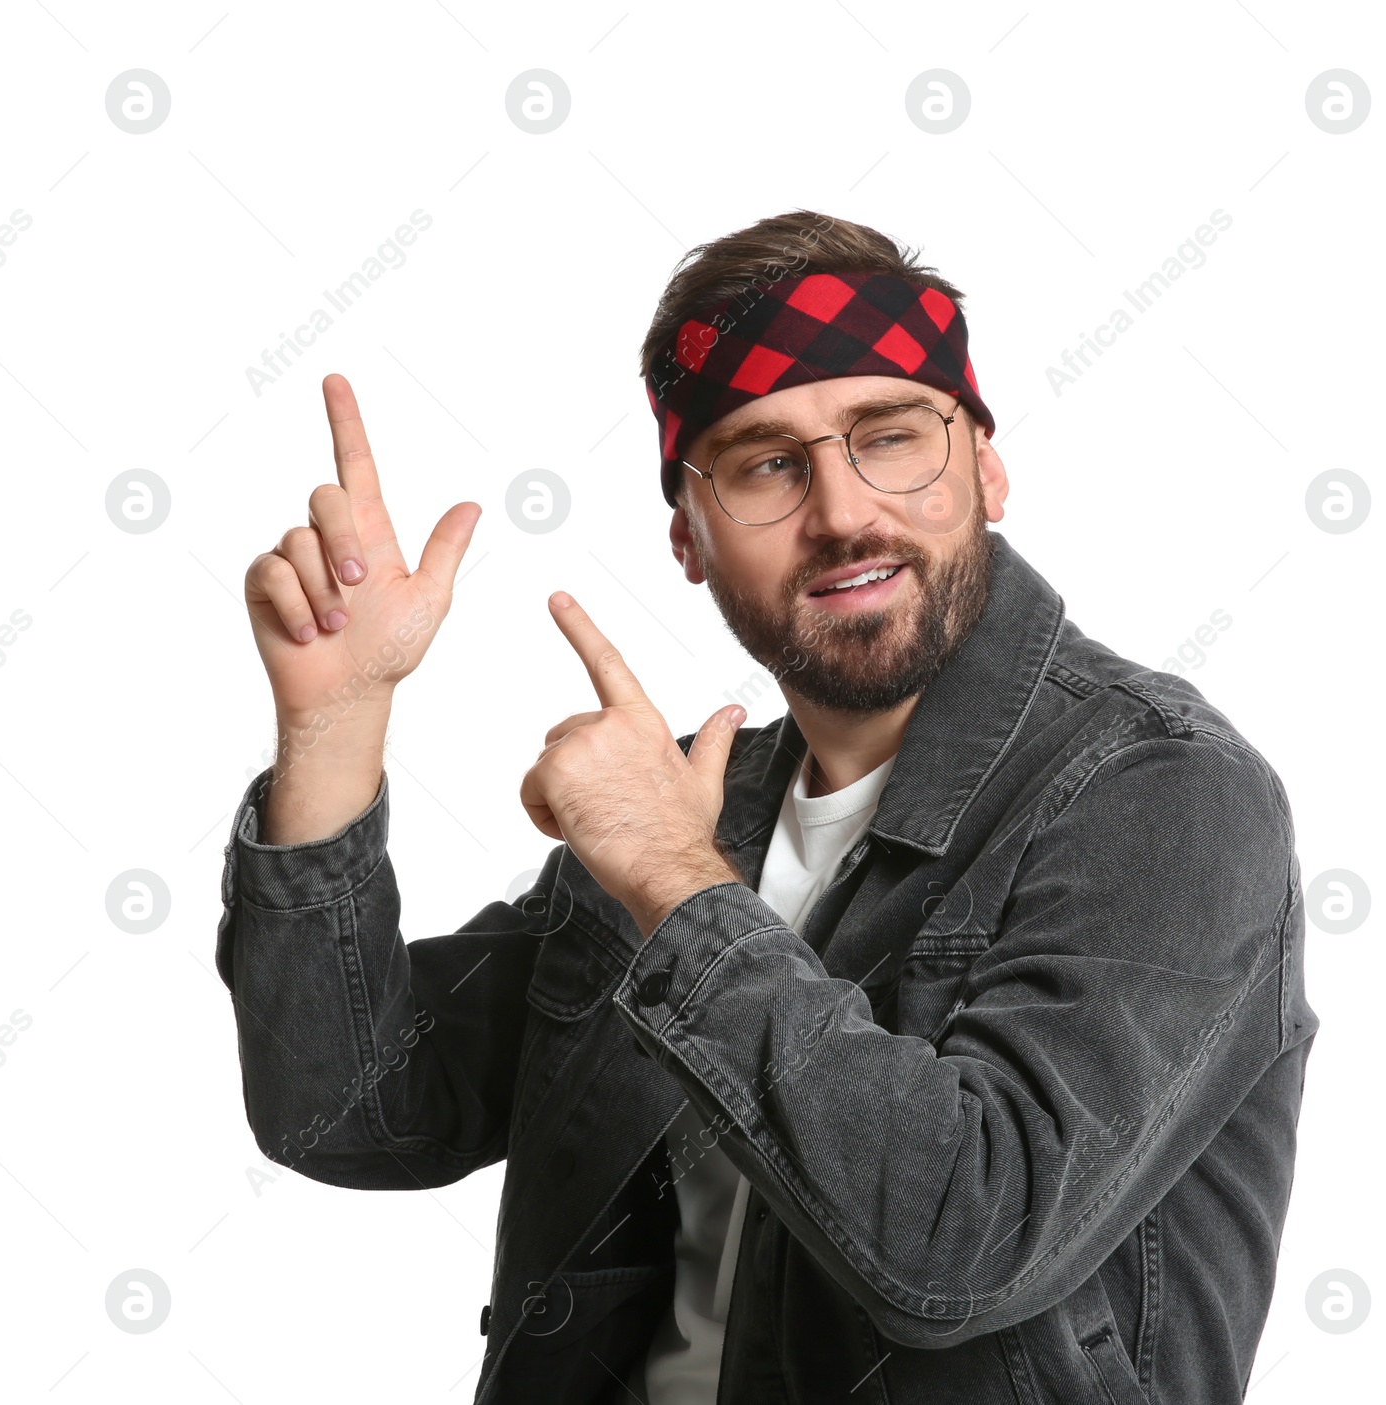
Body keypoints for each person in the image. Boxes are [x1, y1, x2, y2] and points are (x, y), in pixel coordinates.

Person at [216, 209, 1318, 1404]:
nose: (843, 511)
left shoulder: (1161, 792)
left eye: (889, 437)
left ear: (985, 466)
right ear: (688, 536)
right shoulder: (692, 798)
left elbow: (959, 1245)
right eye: (765, 463)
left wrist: (673, 881)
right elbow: (353, 1109)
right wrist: (333, 730)